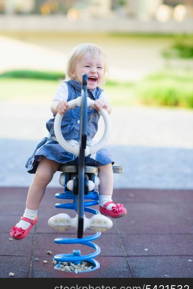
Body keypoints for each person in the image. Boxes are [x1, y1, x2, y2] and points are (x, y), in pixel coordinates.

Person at [10, 43, 127, 240]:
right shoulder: (66, 88)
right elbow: (53, 104)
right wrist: (59, 106)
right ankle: (29, 216)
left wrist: (103, 107)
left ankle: (106, 201)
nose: (93, 71)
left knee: (106, 160)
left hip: (86, 146)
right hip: (60, 143)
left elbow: (108, 109)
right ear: (73, 71)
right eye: (87, 66)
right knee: (42, 173)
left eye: (99, 67)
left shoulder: (100, 94)